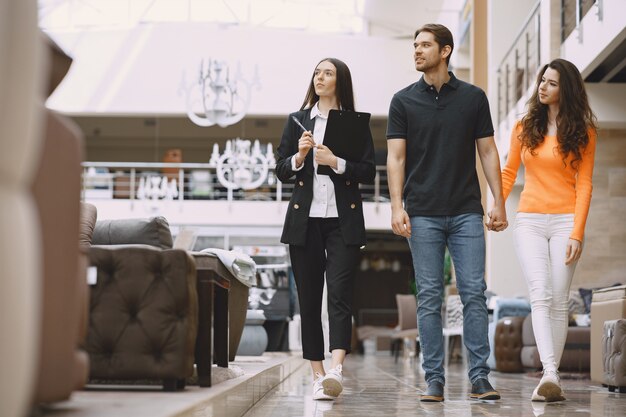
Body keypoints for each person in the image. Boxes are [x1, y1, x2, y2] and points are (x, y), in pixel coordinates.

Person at [386, 23, 507, 402]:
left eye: (425, 45)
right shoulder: (403, 101)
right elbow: (396, 157)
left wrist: (498, 200)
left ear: (446, 50)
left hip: (467, 211)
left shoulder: (473, 97)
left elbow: (487, 151)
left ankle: (479, 377)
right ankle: (433, 379)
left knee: (474, 293)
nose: (417, 51)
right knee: (429, 297)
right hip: (421, 212)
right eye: (415, 45)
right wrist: (396, 207)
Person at [275, 57, 375, 401]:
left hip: (342, 220)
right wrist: (299, 157)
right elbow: (280, 169)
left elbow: (367, 171)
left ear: (340, 81)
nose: (320, 77)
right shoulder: (297, 121)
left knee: (339, 295)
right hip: (305, 221)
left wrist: (336, 162)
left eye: (328, 73)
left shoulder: (354, 124)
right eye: (317, 72)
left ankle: (336, 369)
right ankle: (318, 375)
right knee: (308, 298)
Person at [501, 59, 597, 402]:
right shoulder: (524, 127)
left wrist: (577, 233)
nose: (542, 86)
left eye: (551, 83)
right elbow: (508, 172)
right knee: (540, 293)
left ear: (565, 90)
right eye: (542, 81)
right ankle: (551, 374)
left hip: (565, 221)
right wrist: (496, 204)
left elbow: (584, 186)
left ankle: (550, 378)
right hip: (529, 219)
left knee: (558, 301)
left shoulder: (584, 133)